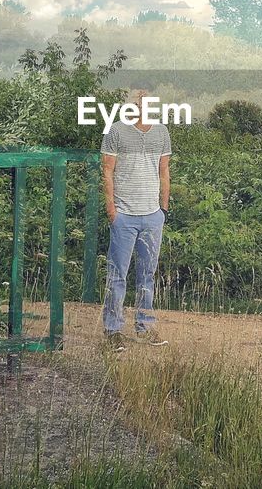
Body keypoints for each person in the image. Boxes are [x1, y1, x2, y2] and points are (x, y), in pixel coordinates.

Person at [100, 89, 171, 351]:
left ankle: (145, 327)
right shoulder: (116, 131)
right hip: (124, 216)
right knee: (117, 274)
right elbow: (107, 170)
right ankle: (112, 330)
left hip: (152, 216)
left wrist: (163, 209)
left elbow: (164, 171)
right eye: (139, 104)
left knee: (147, 275)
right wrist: (112, 210)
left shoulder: (161, 132)